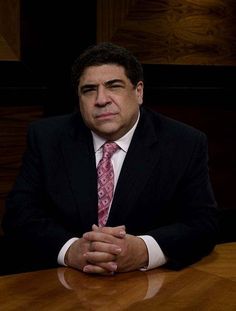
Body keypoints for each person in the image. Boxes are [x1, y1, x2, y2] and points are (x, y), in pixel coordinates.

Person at [2, 42, 218, 275]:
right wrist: (71, 250)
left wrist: (144, 250)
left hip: (150, 288)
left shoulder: (184, 142)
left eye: (114, 86)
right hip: (62, 281)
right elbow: (19, 216)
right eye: (89, 90)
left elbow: (203, 223)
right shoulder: (46, 138)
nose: (101, 99)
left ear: (139, 92)